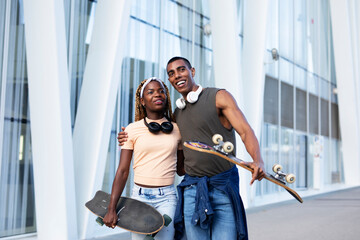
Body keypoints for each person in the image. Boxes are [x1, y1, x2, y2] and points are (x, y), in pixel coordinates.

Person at [118, 57, 266, 240]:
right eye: (171, 73)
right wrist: (127, 135)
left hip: (222, 187)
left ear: (192, 71)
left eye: (181, 70)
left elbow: (245, 131)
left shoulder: (219, 96)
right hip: (192, 190)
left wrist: (257, 159)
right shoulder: (176, 116)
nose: (177, 76)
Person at [103, 77, 184, 240]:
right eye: (151, 92)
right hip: (139, 197)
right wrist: (111, 208)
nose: (157, 94)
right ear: (142, 101)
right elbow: (123, 171)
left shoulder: (177, 129)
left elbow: (181, 170)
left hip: (167, 198)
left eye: (161, 91)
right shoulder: (131, 130)